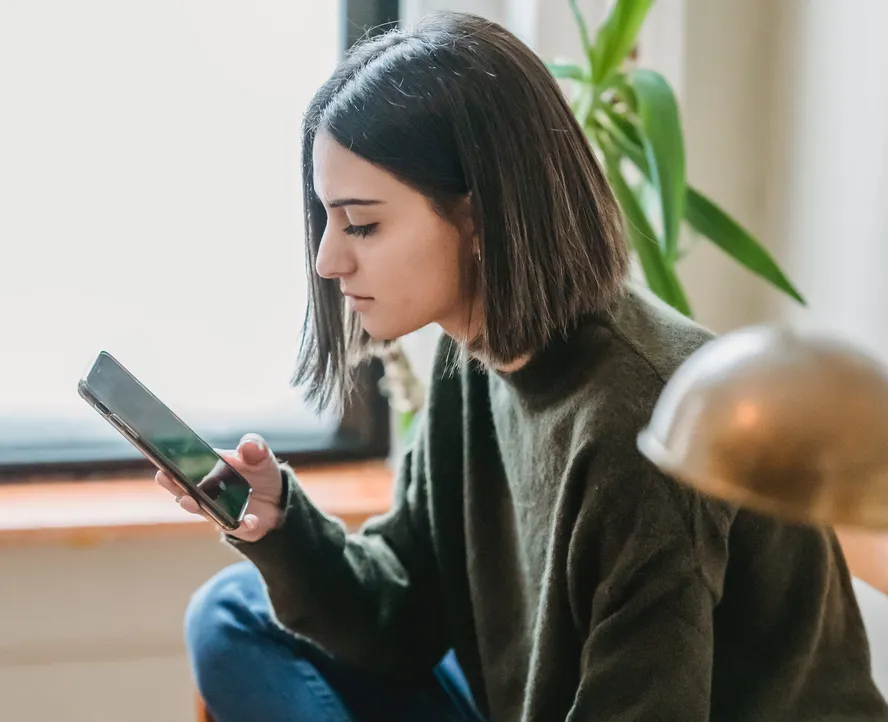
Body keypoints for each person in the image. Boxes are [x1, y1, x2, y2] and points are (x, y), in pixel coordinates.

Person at [156, 11, 888, 722]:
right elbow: (401, 616)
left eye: (363, 223)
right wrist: (279, 520)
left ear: (476, 215)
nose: (327, 259)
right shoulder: (468, 359)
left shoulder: (642, 416)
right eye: (327, 219)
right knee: (231, 615)